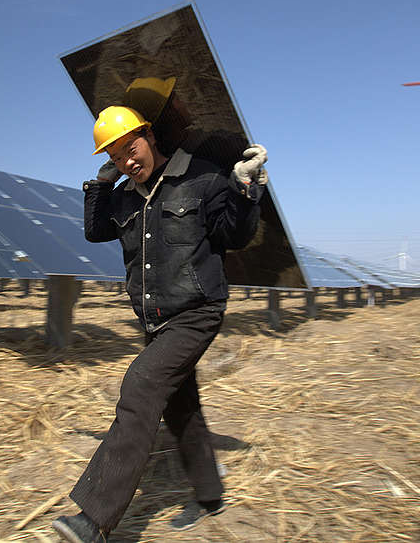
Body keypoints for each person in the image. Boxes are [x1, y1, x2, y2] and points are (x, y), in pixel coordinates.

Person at [52, 105, 267, 542]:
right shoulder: (127, 195)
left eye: (131, 148)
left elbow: (236, 235)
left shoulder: (203, 178)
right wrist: (99, 185)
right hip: (155, 320)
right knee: (181, 406)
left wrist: (245, 190)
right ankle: (210, 496)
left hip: (197, 312)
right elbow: (95, 231)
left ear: (149, 136)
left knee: (141, 386)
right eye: (115, 158)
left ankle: (94, 519)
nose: (127, 161)